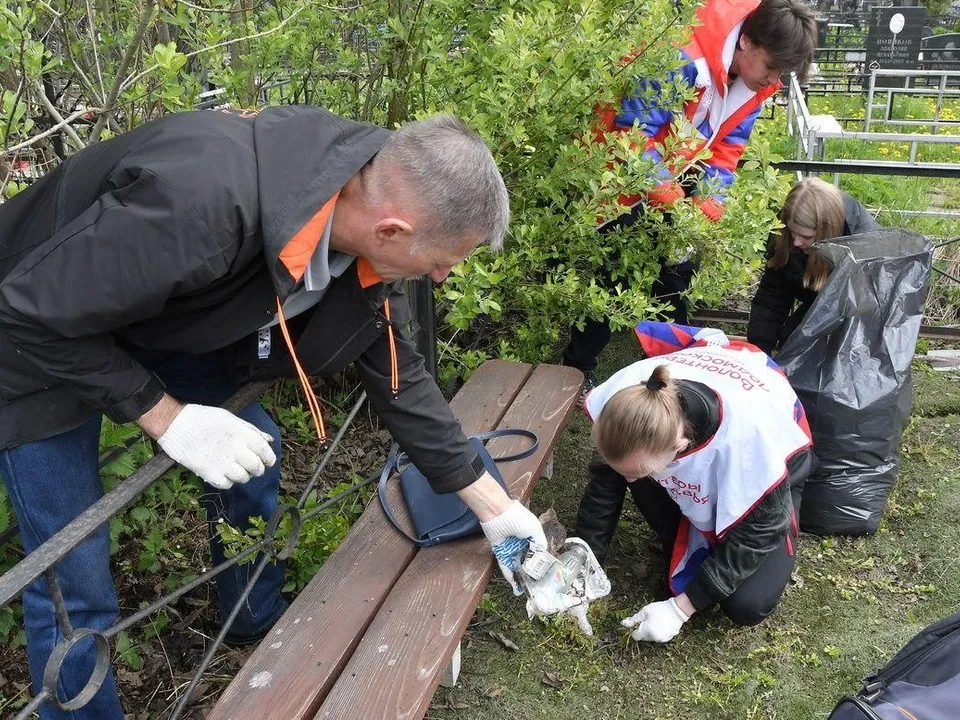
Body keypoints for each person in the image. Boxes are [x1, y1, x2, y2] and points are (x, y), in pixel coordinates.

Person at [0, 107, 548, 719]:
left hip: (145, 316)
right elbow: (26, 312)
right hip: (28, 341)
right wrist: (166, 416)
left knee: (255, 449)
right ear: (392, 230)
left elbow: (400, 379)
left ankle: (251, 620)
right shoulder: (202, 203)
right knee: (73, 578)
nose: (443, 276)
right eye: (445, 260)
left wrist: (497, 511)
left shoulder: (351, 212)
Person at [562, 0, 818, 390]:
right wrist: (671, 200)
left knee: (679, 273)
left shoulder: (752, 78)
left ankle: (674, 365)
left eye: (780, 73)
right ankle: (578, 367)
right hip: (622, 171)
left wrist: (707, 202)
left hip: (675, 168)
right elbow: (632, 132)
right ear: (747, 42)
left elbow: (728, 145)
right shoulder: (682, 54)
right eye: (771, 68)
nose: (772, 81)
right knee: (618, 270)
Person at [575, 323, 814, 641]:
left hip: (777, 478)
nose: (628, 481)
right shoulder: (633, 398)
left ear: (680, 447)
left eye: (636, 472)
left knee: (746, 604)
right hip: (684, 444)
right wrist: (583, 559)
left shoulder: (752, 441)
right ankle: (683, 526)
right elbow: (606, 478)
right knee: (633, 473)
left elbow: (760, 531)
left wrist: (680, 609)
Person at [747, 177, 879, 355]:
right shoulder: (787, 230)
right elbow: (772, 297)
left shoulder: (861, 241)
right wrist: (759, 353)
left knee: (807, 344)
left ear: (827, 231)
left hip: (856, 306)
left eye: (806, 237)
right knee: (791, 338)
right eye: (793, 233)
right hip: (817, 293)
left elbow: (865, 312)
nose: (796, 242)